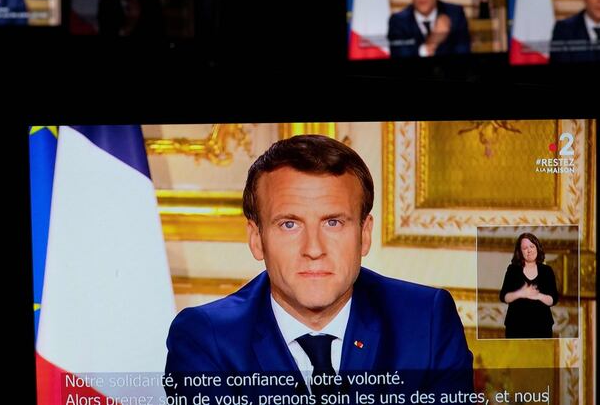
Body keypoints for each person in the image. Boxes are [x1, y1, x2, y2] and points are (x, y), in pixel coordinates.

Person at [165, 135, 473, 402]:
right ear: (257, 239)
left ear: (364, 235)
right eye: (289, 224)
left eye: (333, 222)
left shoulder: (427, 322)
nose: (313, 249)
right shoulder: (205, 340)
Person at [499, 233, 559, 338]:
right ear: (520, 252)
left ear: (537, 248)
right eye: (525, 248)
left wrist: (538, 296)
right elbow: (504, 296)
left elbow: (553, 299)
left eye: (532, 246)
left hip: (542, 327)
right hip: (516, 327)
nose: (529, 250)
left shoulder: (547, 271)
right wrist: (521, 293)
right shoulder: (513, 270)